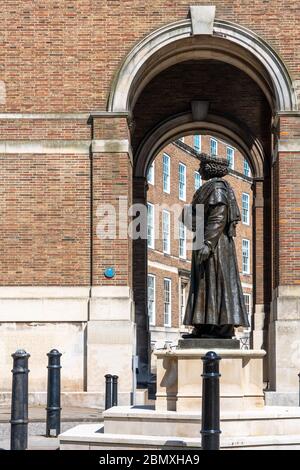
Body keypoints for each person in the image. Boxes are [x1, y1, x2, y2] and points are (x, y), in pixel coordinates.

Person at [182, 153, 249, 338]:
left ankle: (219, 328)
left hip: (216, 246)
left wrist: (208, 244)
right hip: (206, 241)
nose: (199, 169)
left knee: (214, 282)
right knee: (203, 284)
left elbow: (218, 217)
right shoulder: (210, 188)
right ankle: (203, 326)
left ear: (210, 168)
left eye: (201, 166)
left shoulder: (217, 189)